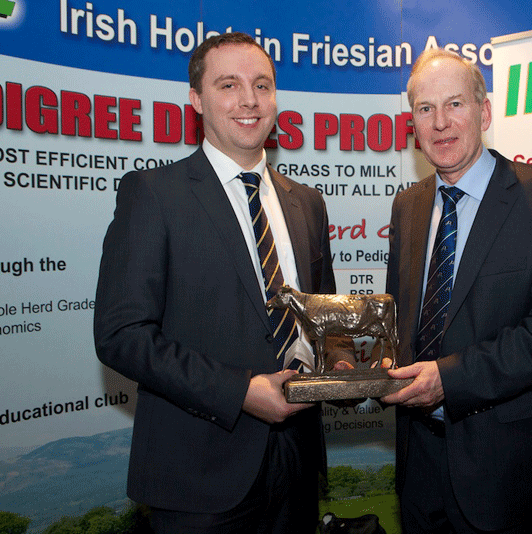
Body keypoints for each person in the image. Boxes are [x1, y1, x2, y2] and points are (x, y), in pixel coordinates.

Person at [94, 32, 351, 534]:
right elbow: (121, 335)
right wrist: (239, 392)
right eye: (229, 85)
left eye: (262, 85)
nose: (249, 101)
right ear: (197, 99)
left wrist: (343, 366)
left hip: (297, 466)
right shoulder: (153, 194)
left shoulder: (307, 203)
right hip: (199, 477)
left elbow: (324, 323)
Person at [381, 48, 532, 533]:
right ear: (412, 121)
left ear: (485, 111)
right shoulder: (408, 206)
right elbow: (400, 317)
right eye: (425, 109)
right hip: (418, 461)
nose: (440, 123)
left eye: (455, 104)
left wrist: (449, 380)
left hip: (504, 467)